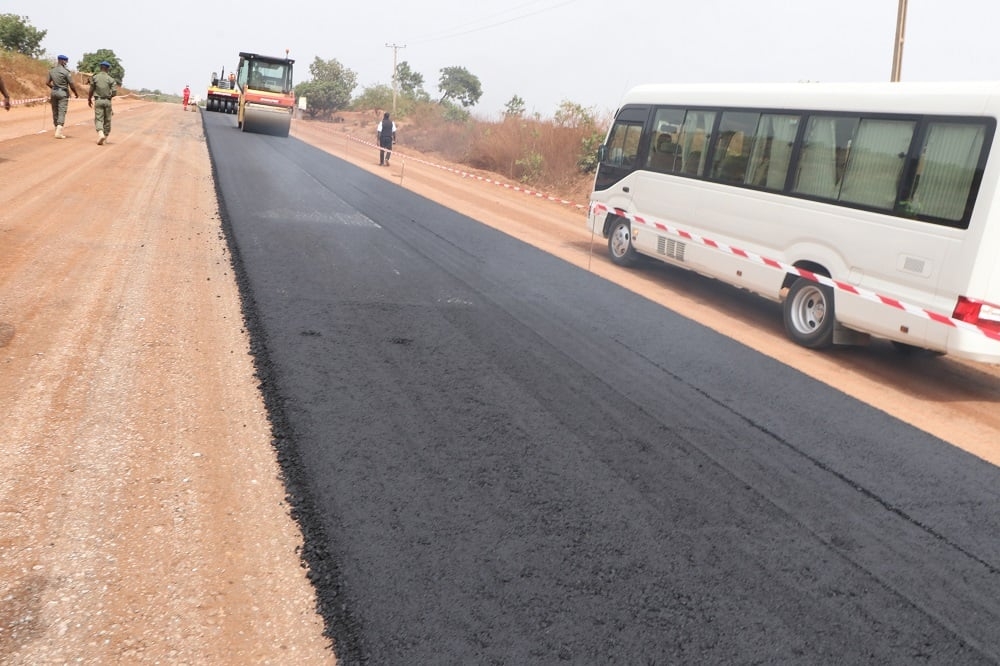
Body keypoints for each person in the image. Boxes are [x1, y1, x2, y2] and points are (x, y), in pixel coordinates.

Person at [46, 55, 80, 139]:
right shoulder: (66, 72)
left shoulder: (52, 70)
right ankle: (59, 131)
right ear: (62, 61)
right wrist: (76, 93)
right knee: (62, 111)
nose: (66, 63)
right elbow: (71, 84)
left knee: (55, 110)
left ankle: (56, 128)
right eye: (65, 61)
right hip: (63, 93)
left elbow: (47, 82)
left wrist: (53, 88)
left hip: (53, 92)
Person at [87, 61, 116, 145]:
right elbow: (114, 92)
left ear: (100, 67)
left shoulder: (95, 77)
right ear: (108, 69)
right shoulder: (111, 79)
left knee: (99, 118)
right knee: (107, 120)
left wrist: (89, 99)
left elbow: (91, 90)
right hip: (107, 101)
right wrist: (109, 97)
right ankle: (105, 137)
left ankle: (100, 134)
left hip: (98, 100)